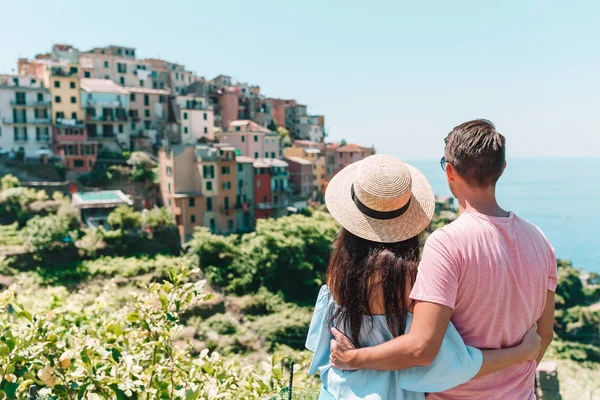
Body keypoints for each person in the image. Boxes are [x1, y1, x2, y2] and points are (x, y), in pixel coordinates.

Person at [328, 120, 557, 399]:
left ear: (450, 171)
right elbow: (544, 336)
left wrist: (353, 358)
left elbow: (421, 348)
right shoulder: (540, 241)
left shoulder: (447, 243)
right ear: (502, 170)